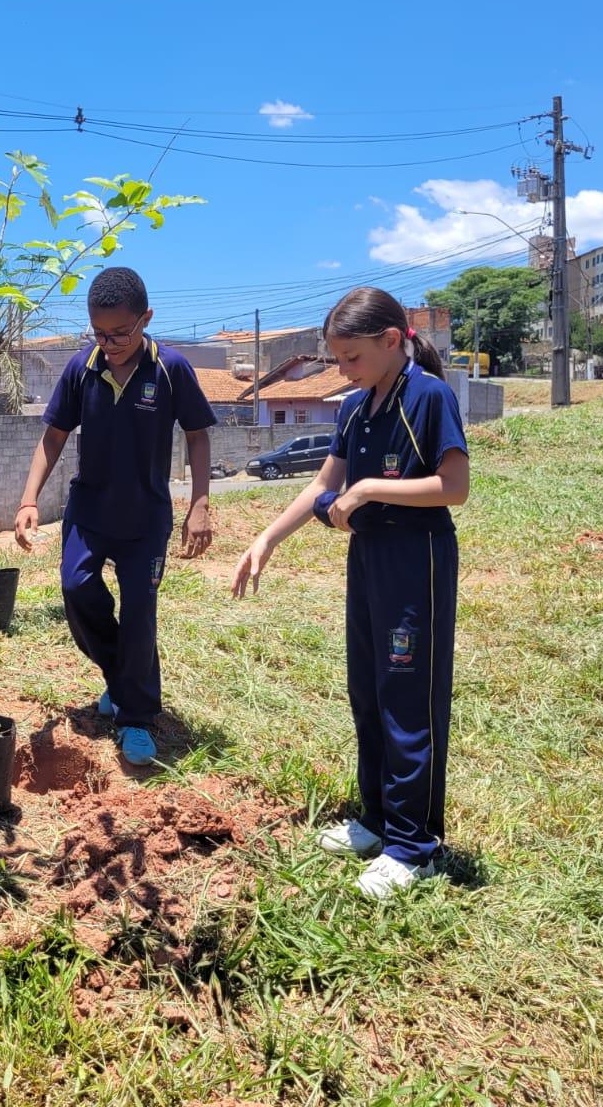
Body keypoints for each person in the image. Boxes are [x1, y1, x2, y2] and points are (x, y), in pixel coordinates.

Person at [231, 287, 468, 899]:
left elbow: (454, 486)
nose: (343, 371)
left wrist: (368, 490)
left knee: (408, 697)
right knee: (369, 689)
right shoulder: (356, 409)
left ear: (391, 340)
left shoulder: (429, 396)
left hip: (416, 561)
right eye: (336, 359)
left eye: (352, 358)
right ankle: (377, 819)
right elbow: (322, 485)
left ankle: (414, 846)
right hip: (367, 559)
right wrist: (267, 538)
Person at [15, 267, 215, 766]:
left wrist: (200, 504)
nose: (109, 344)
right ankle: (122, 679)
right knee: (76, 587)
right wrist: (28, 499)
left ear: (146, 319)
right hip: (89, 512)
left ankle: (136, 718)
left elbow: (197, 435)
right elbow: (54, 436)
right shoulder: (81, 368)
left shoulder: (171, 369)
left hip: (146, 519)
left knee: (140, 614)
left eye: (120, 333)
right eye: (99, 333)